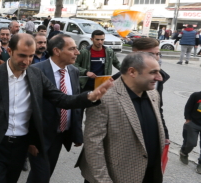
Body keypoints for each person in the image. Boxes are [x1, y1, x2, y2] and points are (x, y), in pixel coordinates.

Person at [0, 34, 112, 183]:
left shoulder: (36, 75)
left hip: (20, 146)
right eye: (22, 56)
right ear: (10, 51)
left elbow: (61, 98)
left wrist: (89, 96)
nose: (27, 61)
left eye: (31, 56)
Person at [76, 52, 165, 183]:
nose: (159, 78)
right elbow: (93, 144)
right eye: (153, 72)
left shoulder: (153, 94)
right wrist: (104, 180)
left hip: (149, 175)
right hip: (115, 177)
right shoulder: (104, 98)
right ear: (132, 72)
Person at [27, 35, 83, 182]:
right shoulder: (35, 71)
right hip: (39, 137)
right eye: (72, 49)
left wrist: (77, 133)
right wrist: (31, 140)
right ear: (57, 51)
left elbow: (75, 105)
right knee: (42, 177)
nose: (77, 52)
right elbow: (30, 109)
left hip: (59, 135)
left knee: (44, 174)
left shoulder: (73, 71)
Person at [180, 89, 201, 173]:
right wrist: (188, 119)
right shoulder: (196, 95)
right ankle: (184, 152)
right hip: (193, 123)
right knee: (191, 143)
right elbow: (188, 106)